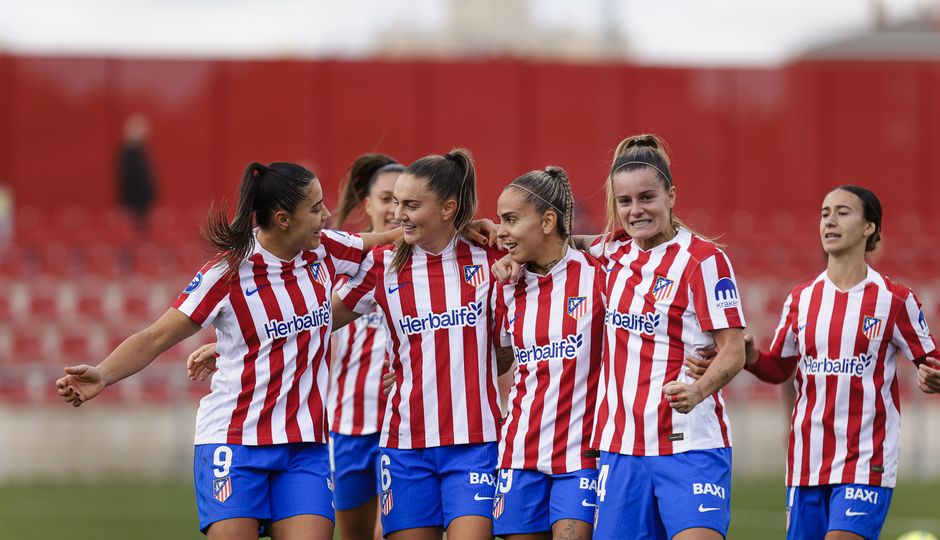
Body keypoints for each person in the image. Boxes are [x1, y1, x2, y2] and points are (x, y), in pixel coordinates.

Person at [57, 161, 402, 540]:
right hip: (235, 443)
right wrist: (103, 374)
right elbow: (156, 337)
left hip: (305, 446)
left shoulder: (325, 250)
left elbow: (383, 240)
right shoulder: (228, 272)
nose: (326, 215)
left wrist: (461, 228)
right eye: (316, 208)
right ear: (284, 219)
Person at [715, 185, 939, 540]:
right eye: (824, 213)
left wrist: (932, 377)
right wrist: (753, 357)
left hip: (866, 460)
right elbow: (780, 369)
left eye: (842, 212)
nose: (829, 221)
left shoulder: (896, 300)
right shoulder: (800, 299)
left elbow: (932, 362)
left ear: (869, 228)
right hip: (807, 464)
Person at [332, 149, 506, 540]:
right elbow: (312, 322)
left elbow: (556, 256)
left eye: (411, 205)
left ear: (448, 208)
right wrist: (230, 345)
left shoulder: (490, 253)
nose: (398, 214)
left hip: (475, 443)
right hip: (406, 446)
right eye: (395, 203)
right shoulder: (383, 264)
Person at [588, 135, 746, 540]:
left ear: (671, 196)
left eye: (647, 197)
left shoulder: (703, 260)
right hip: (621, 449)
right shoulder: (611, 254)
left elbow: (732, 351)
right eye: (625, 202)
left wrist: (697, 393)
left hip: (689, 445)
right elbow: (556, 243)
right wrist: (494, 233)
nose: (636, 210)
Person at [490, 166, 605, 540]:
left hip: (582, 456)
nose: (501, 231)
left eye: (511, 219)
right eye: (498, 220)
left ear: (547, 221)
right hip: (519, 453)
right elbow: (500, 358)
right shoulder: (506, 286)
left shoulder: (601, 274)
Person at [329, 153, 404, 540]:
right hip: (349, 427)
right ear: (368, 205)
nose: (395, 208)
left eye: (404, 199)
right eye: (386, 198)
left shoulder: (423, 267)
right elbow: (298, 325)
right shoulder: (340, 269)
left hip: (405, 425)